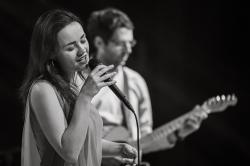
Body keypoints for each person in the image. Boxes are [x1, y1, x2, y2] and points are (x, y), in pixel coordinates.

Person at [87, 7, 208, 166]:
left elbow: (143, 141)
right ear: (99, 42)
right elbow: (69, 136)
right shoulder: (79, 79)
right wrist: (107, 152)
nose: (128, 50)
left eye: (131, 43)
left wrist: (178, 134)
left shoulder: (136, 82)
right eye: (120, 44)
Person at [19, 9, 137, 166]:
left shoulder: (77, 81)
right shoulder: (43, 90)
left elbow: (83, 139)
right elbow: (70, 152)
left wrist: (118, 148)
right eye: (70, 47)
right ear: (51, 53)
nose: (82, 50)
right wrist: (86, 95)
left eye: (83, 40)